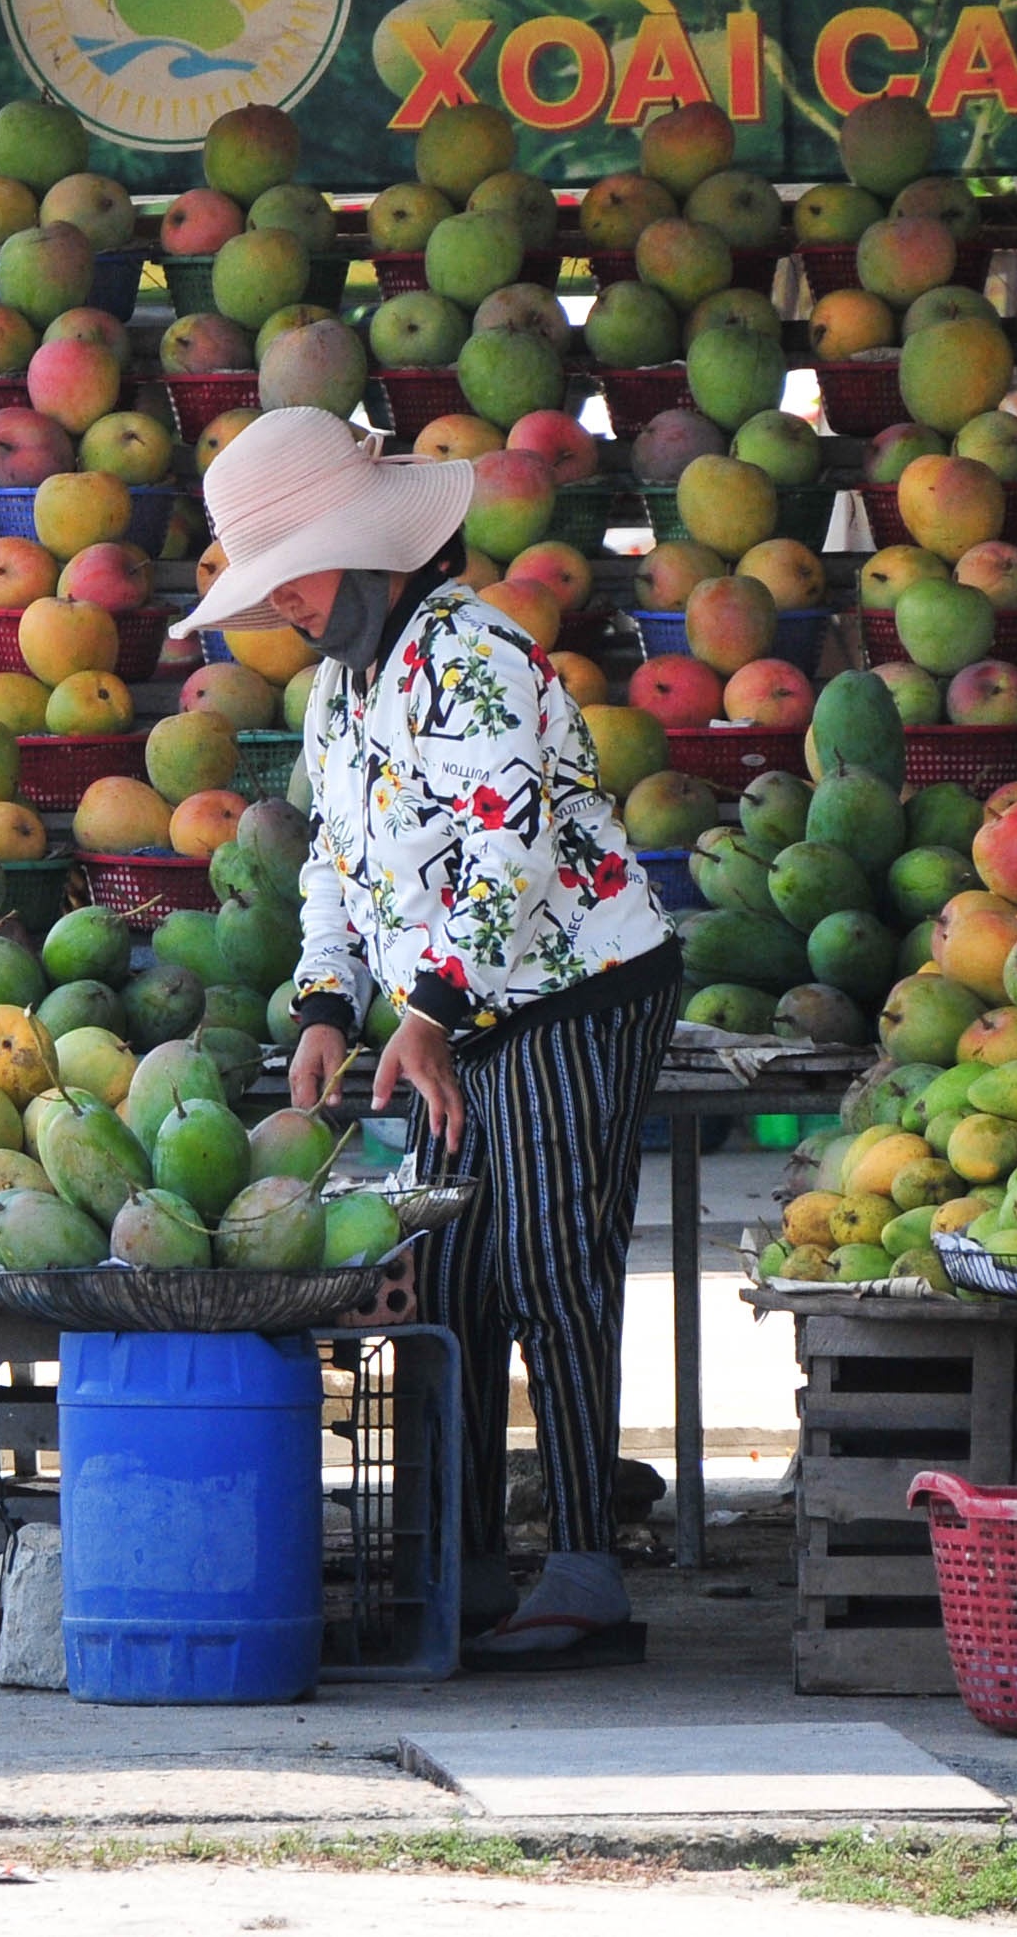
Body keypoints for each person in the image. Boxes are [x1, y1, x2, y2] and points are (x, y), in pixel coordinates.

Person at [177, 408, 679, 1671]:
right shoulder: (340, 689)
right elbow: (334, 871)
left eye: (290, 578)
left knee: (556, 1263)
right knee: (448, 1273)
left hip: (573, 990)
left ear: (364, 550)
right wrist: (327, 1007)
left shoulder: (476, 650)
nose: (280, 606)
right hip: (444, 1019)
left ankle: (584, 1574)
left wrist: (427, 1015)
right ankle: (452, 1565)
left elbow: (506, 855)